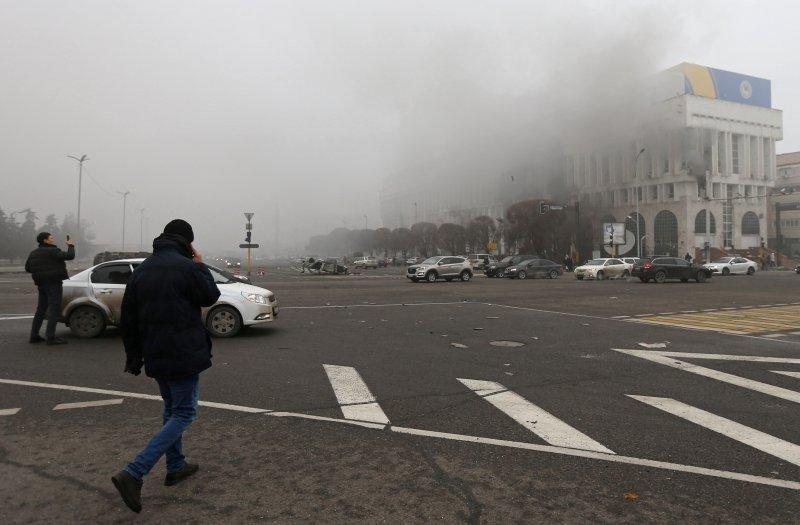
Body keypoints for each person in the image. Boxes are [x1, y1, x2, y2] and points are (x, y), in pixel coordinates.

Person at [112, 219, 221, 514]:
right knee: (185, 412)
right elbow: (211, 295)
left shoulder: (142, 270)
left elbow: (128, 319)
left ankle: (176, 465)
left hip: (156, 354)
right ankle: (134, 472)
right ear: (187, 242)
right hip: (183, 353)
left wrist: (134, 357)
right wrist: (200, 264)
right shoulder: (187, 268)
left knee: (172, 409)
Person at [25, 232, 75, 345]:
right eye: (51, 238)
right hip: (53, 284)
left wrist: (41, 271)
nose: (53, 240)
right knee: (54, 310)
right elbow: (70, 256)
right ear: (45, 240)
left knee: (41, 310)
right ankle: (50, 337)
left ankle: (34, 336)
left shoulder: (33, 253)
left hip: (41, 284)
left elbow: (28, 268)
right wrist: (71, 245)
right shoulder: (53, 251)